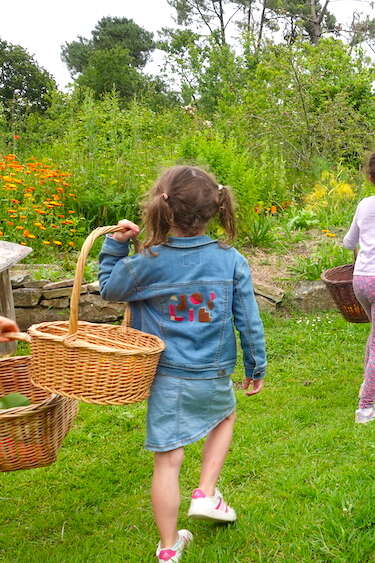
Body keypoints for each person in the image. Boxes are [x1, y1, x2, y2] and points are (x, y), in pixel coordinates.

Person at [99, 165, 266, 562]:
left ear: (163, 207)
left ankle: (169, 548)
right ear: (215, 208)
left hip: (166, 376)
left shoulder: (149, 260)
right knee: (224, 417)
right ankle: (206, 493)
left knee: (169, 459)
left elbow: (109, 288)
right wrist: (255, 366)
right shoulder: (230, 260)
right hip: (213, 371)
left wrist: (115, 247)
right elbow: (249, 319)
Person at [343, 152, 375, 424]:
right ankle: (366, 407)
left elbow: (348, 241)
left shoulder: (365, 204)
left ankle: (366, 384)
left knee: (374, 335)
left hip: (362, 280)